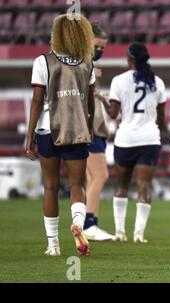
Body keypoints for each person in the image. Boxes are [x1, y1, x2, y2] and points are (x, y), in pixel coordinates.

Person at [25, 13, 95, 256]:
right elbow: (91, 100)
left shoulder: (43, 61)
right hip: (77, 129)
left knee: (50, 186)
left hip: (47, 129)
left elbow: (36, 100)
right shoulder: (88, 61)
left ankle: (53, 244)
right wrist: (91, 126)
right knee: (77, 184)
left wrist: (29, 134)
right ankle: (77, 222)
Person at [101, 42, 166, 243]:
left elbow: (113, 114)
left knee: (122, 187)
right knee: (144, 186)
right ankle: (139, 234)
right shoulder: (158, 82)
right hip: (149, 139)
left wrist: (103, 100)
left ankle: (120, 232)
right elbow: (161, 120)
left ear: (129, 59)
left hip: (126, 139)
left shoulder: (118, 81)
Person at [83, 22, 114, 241]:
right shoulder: (83, 67)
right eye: (97, 46)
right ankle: (89, 224)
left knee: (91, 178)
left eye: (103, 47)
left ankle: (87, 223)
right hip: (88, 130)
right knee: (100, 175)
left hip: (95, 130)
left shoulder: (88, 68)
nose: (100, 51)